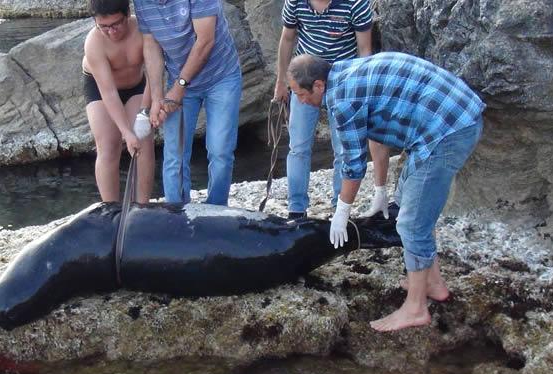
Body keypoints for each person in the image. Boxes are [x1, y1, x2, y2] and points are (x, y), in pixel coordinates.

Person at [287, 52, 485, 332]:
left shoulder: (341, 100)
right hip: (449, 119)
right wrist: (380, 190)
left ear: (318, 85)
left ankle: (415, 308)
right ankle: (433, 283)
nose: (299, 100)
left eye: (299, 93)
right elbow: (376, 137)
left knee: (411, 223)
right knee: (409, 205)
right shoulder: (346, 73)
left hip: (447, 130)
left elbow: (352, 165)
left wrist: (341, 211)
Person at [273, 0, 390, 219]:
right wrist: (282, 81)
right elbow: (287, 38)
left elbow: (364, 50)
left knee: (344, 149)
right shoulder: (295, 2)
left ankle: (340, 206)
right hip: (305, 77)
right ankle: (296, 209)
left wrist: (361, 89)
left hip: (342, 81)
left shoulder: (356, 3)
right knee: (298, 146)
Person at [134, 0, 242, 205]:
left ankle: (216, 211)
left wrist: (178, 89)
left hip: (221, 77)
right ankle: (176, 212)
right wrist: (157, 98)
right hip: (178, 78)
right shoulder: (141, 2)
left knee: (220, 150)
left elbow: (205, 41)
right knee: (175, 153)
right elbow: (151, 44)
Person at [83, 0, 155, 203]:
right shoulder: (94, 42)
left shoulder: (143, 28)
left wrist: (144, 113)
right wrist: (125, 132)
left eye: (116, 24)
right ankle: (110, 208)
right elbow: (108, 92)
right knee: (108, 145)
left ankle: (141, 206)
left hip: (137, 86)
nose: (111, 32)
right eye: (103, 26)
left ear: (127, 14)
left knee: (143, 142)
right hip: (101, 89)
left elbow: (154, 74)